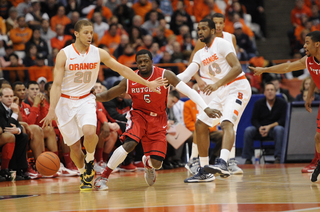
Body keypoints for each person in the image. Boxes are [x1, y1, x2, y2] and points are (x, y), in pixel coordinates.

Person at [40, 20, 166, 191]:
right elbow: (55, 85)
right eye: (86, 32)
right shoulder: (64, 54)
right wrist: (52, 109)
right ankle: (84, 172)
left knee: (90, 132)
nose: (90, 35)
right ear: (76, 34)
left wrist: (146, 83)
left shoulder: (98, 53)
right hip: (65, 101)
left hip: (86, 99)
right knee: (75, 148)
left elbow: (122, 69)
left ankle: (90, 160)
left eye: (91, 32)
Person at [93, 49, 221, 190]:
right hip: (138, 116)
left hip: (158, 120)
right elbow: (108, 95)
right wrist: (91, 96)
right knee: (130, 144)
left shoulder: (165, 75)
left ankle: (147, 163)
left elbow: (189, 91)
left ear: (152, 62)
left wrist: (205, 108)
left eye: (146, 61)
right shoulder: (130, 79)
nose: (143, 64)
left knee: (157, 163)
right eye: (140, 62)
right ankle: (103, 177)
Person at [178, 18, 251, 183]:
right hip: (221, 91)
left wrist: (217, 83)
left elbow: (237, 67)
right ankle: (204, 170)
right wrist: (169, 80)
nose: (200, 32)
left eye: (203, 28)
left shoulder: (222, 43)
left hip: (237, 87)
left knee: (227, 122)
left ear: (212, 30)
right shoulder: (199, 53)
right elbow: (187, 74)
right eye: (198, 29)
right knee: (200, 123)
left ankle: (224, 163)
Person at [250, 30, 320, 182]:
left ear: (317, 44)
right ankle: (318, 163)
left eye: (307, 43)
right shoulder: (309, 60)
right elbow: (288, 68)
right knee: (318, 137)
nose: (304, 45)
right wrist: (265, 70)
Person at [242, 82, 287, 164]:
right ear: (264, 92)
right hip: (261, 129)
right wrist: (260, 128)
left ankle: (278, 157)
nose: (270, 92)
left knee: (279, 129)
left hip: (274, 130)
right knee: (248, 130)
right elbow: (254, 119)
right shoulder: (258, 103)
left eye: (272, 90)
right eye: (268, 90)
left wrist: (269, 127)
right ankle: (247, 158)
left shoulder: (282, 103)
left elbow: (283, 120)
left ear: (275, 92)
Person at [0, 87, 30, 180]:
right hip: (2, 137)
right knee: (11, 136)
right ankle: (5, 169)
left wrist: (18, 130)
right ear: (0, 98)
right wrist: (16, 113)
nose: (10, 98)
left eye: (11, 96)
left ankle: (19, 169)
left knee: (23, 136)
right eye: (6, 96)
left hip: (7, 135)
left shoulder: (11, 107)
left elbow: (18, 125)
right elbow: (6, 128)